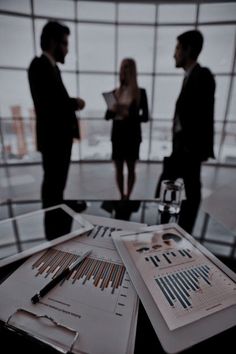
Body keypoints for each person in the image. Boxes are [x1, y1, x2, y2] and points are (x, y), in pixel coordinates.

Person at [155, 30, 215, 234]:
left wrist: (194, 146)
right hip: (183, 147)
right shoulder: (191, 77)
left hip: (188, 148)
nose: (174, 54)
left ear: (188, 50)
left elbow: (204, 114)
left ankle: (178, 231)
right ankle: (175, 229)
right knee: (178, 185)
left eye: (177, 48)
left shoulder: (202, 75)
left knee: (186, 188)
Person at [28, 21, 85, 208]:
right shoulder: (39, 65)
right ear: (53, 42)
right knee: (53, 181)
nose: (67, 50)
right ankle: (54, 220)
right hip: (54, 137)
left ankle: (58, 207)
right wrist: (75, 103)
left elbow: (54, 100)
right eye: (65, 44)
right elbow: (50, 103)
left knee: (56, 181)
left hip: (57, 137)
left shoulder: (51, 67)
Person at [105, 58, 149, 200]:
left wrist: (129, 114)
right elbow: (107, 116)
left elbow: (146, 117)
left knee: (131, 168)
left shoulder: (140, 92)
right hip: (117, 135)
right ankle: (121, 195)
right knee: (118, 168)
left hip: (132, 136)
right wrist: (113, 109)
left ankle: (128, 196)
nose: (125, 70)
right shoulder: (114, 92)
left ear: (133, 71)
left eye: (128, 67)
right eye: (123, 67)